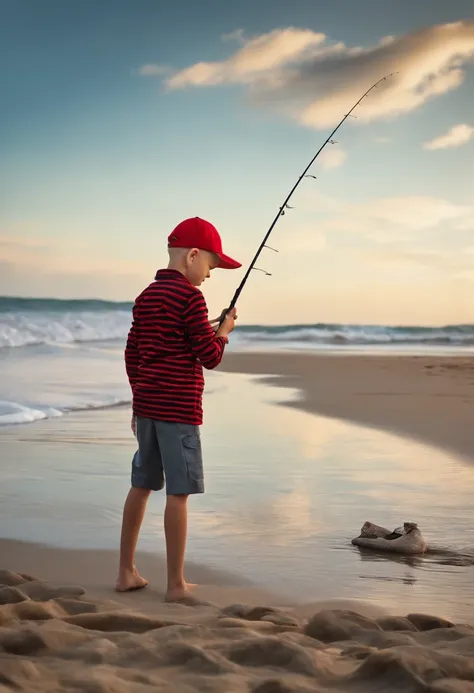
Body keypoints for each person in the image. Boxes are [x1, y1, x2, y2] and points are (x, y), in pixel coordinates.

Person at [116, 216, 241, 602]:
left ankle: (125, 572)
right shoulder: (190, 297)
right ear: (191, 256)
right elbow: (208, 356)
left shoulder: (147, 296)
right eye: (210, 265)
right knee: (178, 493)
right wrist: (223, 331)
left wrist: (138, 401)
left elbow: (134, 351)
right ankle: (175, 584)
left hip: (149, 410)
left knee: (141, 485)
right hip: (179, 413)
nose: (209, 275)